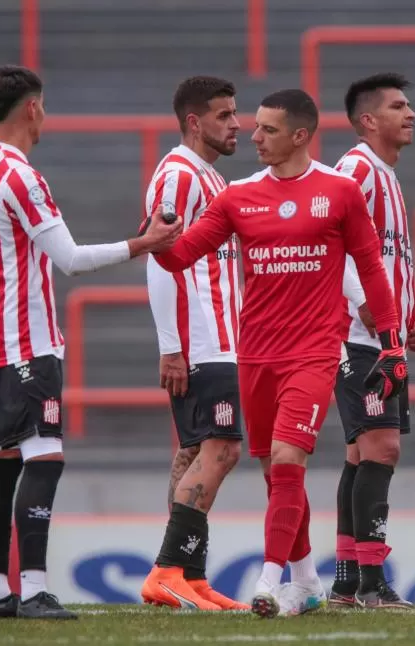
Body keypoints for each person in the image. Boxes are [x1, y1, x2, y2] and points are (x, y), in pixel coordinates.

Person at [150, 88, 407, 618]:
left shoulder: (339, 192)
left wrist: (391, 344)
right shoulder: (238, 196)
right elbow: (181, 257)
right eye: (255, 126)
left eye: (267, 129)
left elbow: (371, 269)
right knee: (274, 474)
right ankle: (309, 580)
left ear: (300, 135)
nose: (253, 135)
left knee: (290, 462)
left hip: (313, 353)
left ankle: (269, 582)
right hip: (255, 355)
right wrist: (148, 240)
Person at [0, 65, 181, 620]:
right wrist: (145, 242)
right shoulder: (21, 176)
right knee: (45, 459)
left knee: (1, 461)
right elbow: (71, 260)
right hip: (27, 339)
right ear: (33, 108)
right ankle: (34, 587)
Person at [139, 76, 248, 611]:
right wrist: (172, 346)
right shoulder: (178, 175)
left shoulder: (209, 177)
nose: (237, 124)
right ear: (194, 122)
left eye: (236, 113)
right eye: (225, 115)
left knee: (197, 452)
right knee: (222, 450)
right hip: (202, 341)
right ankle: (167, 569)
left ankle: (192, 576)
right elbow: (160, 259)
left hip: (221, 338)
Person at [330, 73, 415, 610]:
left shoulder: (386, 175)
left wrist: (407, 319)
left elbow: (386, 258)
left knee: (359, 453)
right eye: (398, 106)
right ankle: (372, 582)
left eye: (409, 105)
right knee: (382, 448)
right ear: (369, 120)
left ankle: (347, 582)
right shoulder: (356, 169)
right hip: (355, 337)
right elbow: (334, 241)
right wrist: (361, 301)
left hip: (383, 338)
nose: (411, 113)